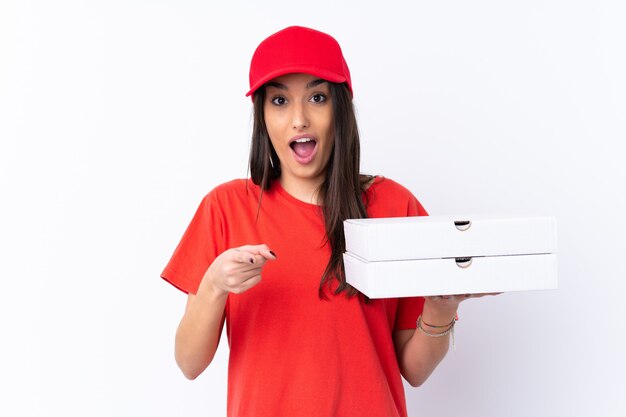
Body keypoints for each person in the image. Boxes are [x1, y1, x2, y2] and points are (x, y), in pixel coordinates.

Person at [162, 26, 485, 417]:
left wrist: (440, 307)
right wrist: (213, 285)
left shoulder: (394, 205)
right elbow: (189, 363)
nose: (299, 119)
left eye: (317, 98)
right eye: (279, 100)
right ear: (262, 116)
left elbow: (413, 370)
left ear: (341, 109)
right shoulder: (226, 207)